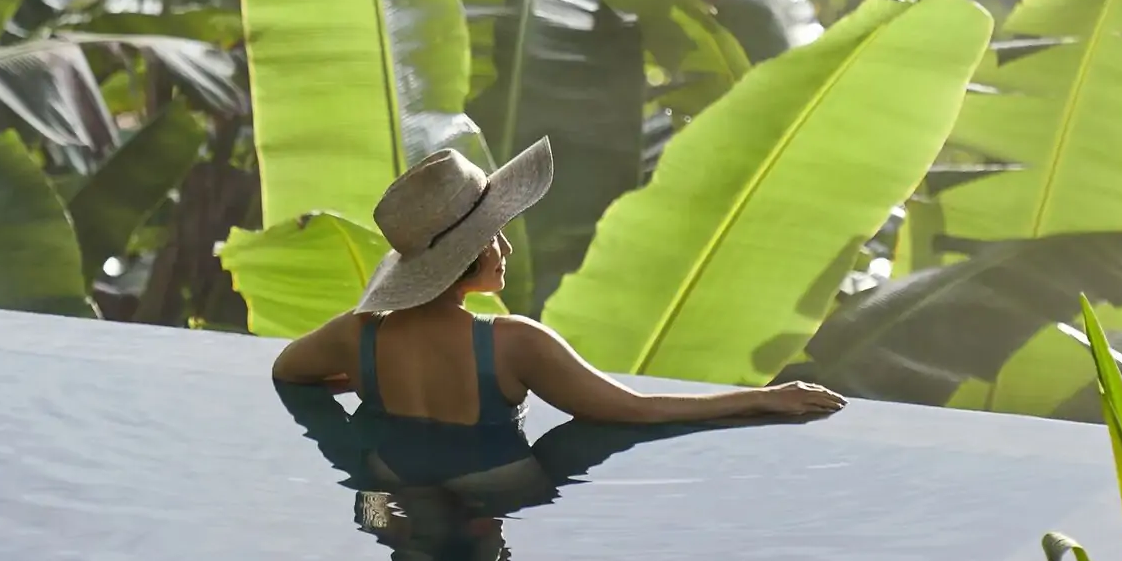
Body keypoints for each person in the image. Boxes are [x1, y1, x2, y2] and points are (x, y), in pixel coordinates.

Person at [268, 140, 845, 474]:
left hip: (389, 495)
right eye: (494, 234)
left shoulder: (357, 336)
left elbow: (286, 372)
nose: (507, 246)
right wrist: (764, 399)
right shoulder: (513, 344)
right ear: (467, 257)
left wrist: (366, 382)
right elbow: (633, 409)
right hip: (490, 489)